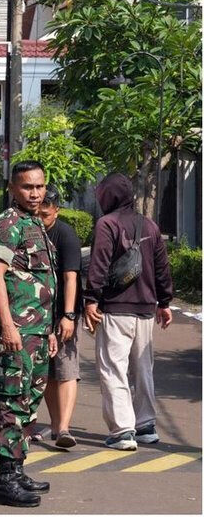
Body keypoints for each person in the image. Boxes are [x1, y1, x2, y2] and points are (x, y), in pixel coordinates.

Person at [0, 160, 58, 508]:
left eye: (39, 186)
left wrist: (49, 330)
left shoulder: (35, 223)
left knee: (29, 403)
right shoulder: (8, 224)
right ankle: (4, 480)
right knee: (11, 402)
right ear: (12, 188)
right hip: (18, 331)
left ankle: (17, 469)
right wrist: (8, 325)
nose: (35, 193)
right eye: (27, 187)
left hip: (38, 331)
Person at [84, 173, 173, 451]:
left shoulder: (107, 224)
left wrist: (91, 299)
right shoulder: (149, 224)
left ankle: (122, 431)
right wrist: (164, 302)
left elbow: (99, 264)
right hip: (146, 310)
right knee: (143, 370)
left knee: (113, 368)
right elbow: (162, 267)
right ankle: (146, 426)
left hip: (115, 308)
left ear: (107, 196)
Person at [32, 185, 82, 449]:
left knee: (66, 369)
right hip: (38, 312)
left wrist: (69, 315)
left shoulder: (65, 235)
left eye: (46, 215)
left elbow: (70, 277)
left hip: (63, 311)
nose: (41, 219)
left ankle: (64, 427)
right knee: (47, 371)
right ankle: (54, 424)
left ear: (57, 211)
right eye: (38, 214)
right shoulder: (31, 232)